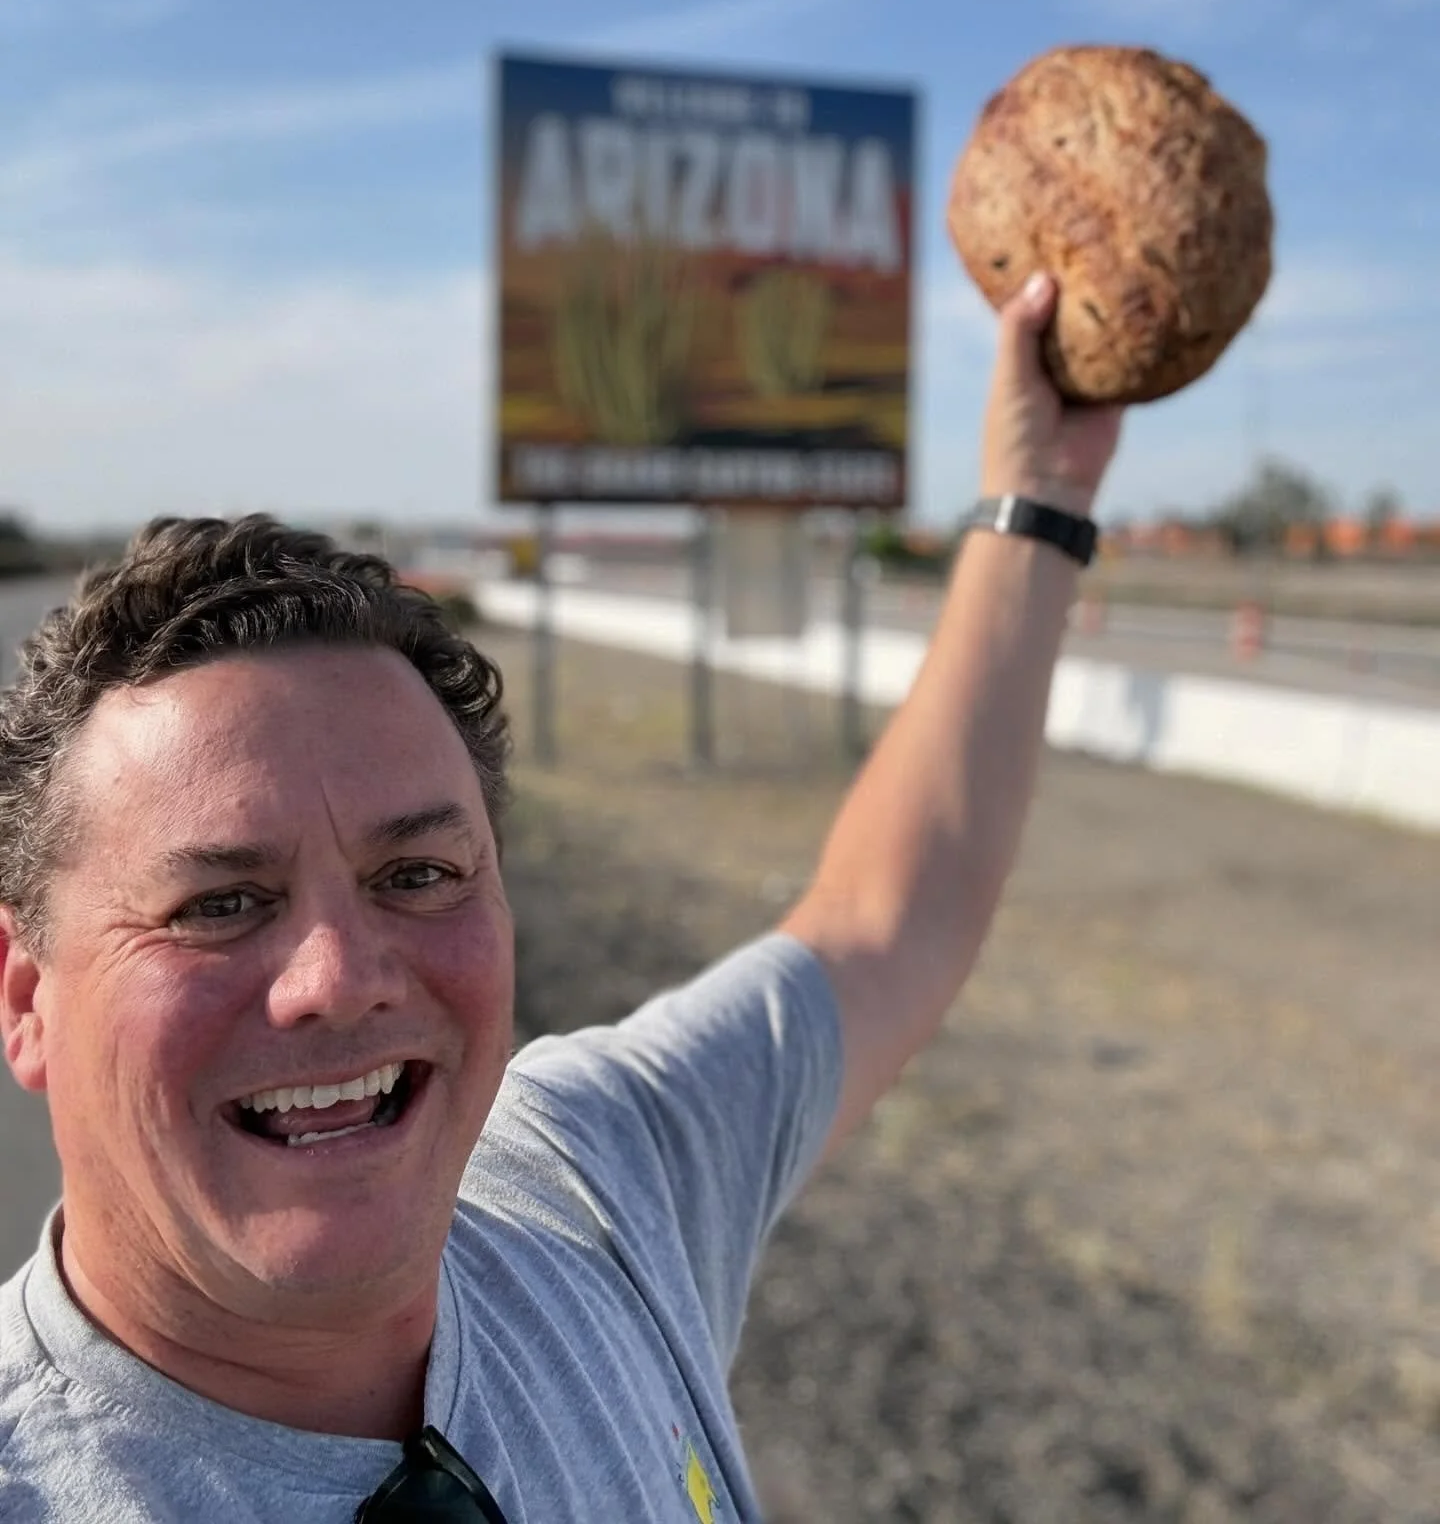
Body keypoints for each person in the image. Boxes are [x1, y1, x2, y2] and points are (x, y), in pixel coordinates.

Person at [0, 272, 1120, 1521]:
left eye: (416, 876)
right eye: (219, 903)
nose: (342, 975)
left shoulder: (588, 1179)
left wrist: (1043, 494)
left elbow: (883, 923)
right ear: (27, 997)